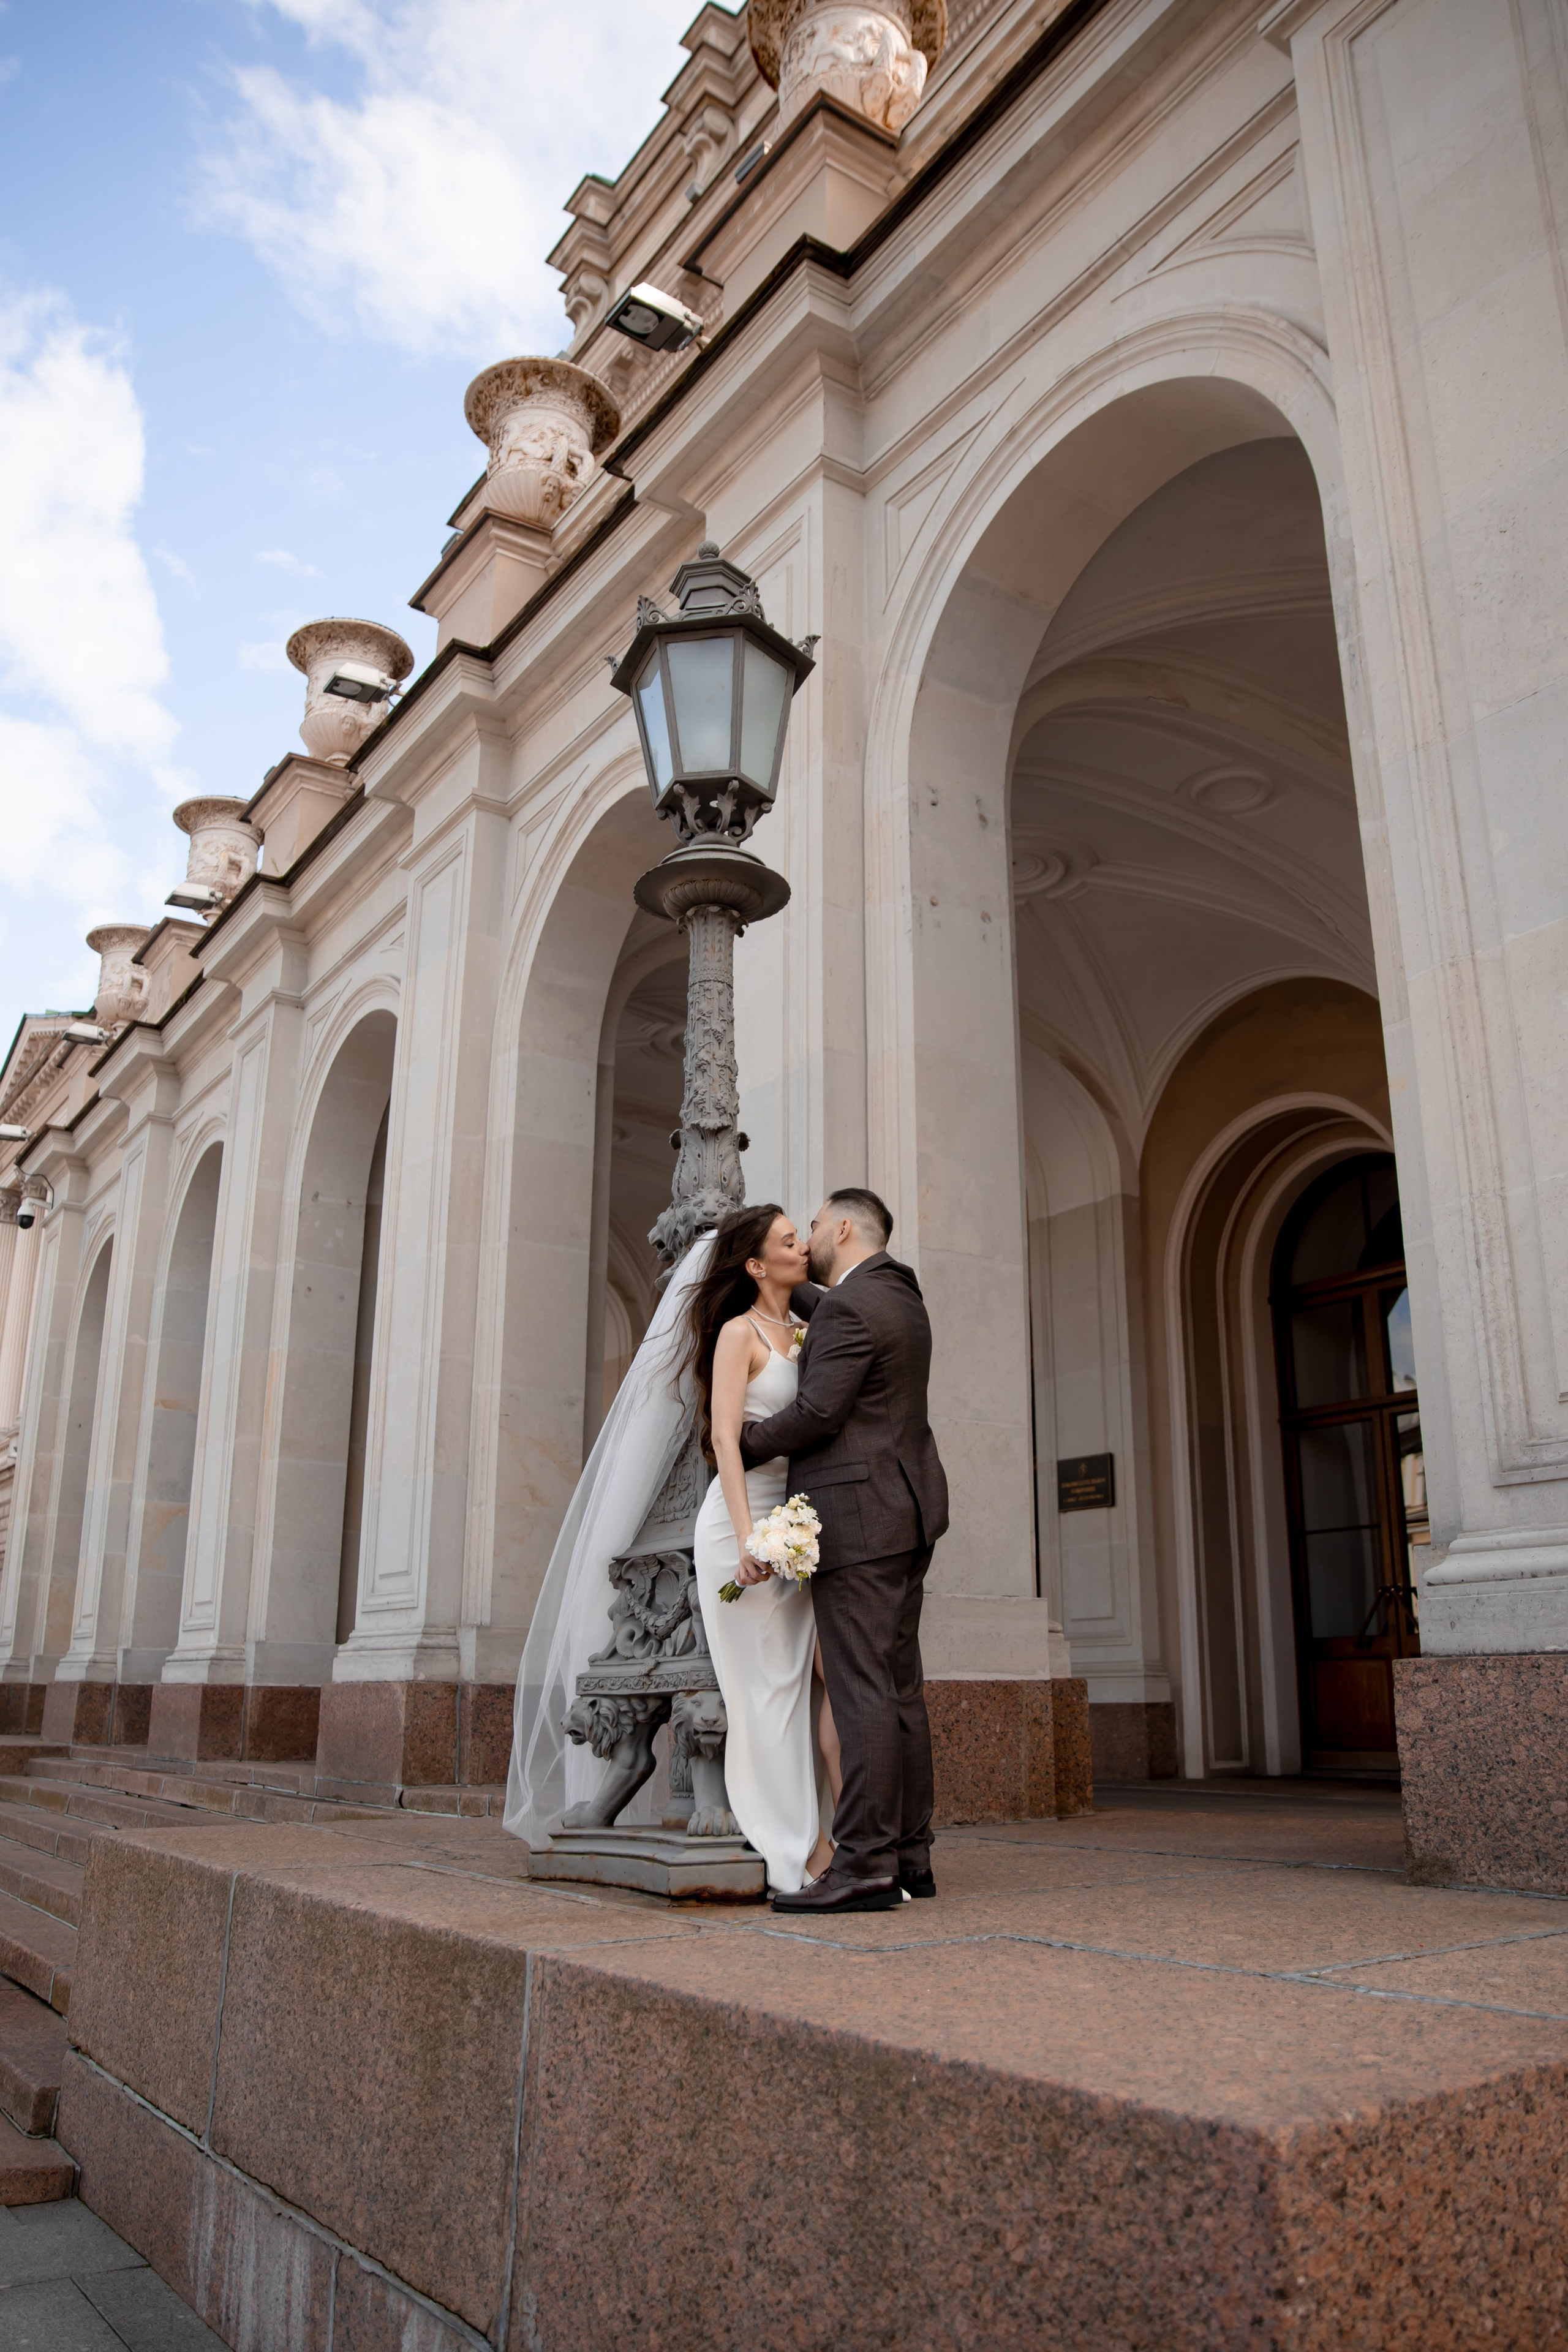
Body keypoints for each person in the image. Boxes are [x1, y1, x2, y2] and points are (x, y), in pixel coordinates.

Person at [737, 1187, 948, 1913]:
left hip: (859, 1516)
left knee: (860, 1691)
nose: (812, 1236)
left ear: (847, 1226)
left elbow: (820, 1411)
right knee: (898, 1692)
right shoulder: (899, 1295)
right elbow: (827, 1311)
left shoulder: (857, 1305)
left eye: (819, 1224)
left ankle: (861, 1865)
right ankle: (910, 1856)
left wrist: (739, 1444)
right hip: (906, 1511)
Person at [687, 1204, 842, 1892]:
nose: (801, 1247)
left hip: (798, 1525)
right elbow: (725, 1438)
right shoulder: (736, 1334)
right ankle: (792, 1847)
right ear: (755, 1263)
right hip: (738, 1524)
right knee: (764, 1689)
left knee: (800, 1686)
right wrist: (750, 1536)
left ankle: (823, 1842)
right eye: (787, 1241)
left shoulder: (809, 1329)